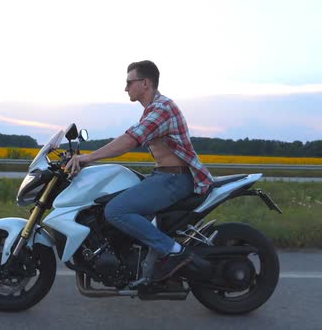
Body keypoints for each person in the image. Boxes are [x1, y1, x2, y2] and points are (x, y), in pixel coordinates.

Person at [65, 60, 213, 281]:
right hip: (165, 176)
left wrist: (89, 157)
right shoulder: (153, 109)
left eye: (129, 82)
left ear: (145, 83)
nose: (125, 88)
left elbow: (129, 140)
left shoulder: (162, 108)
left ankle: (173, 252)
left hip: (175, 178)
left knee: (115, 210)